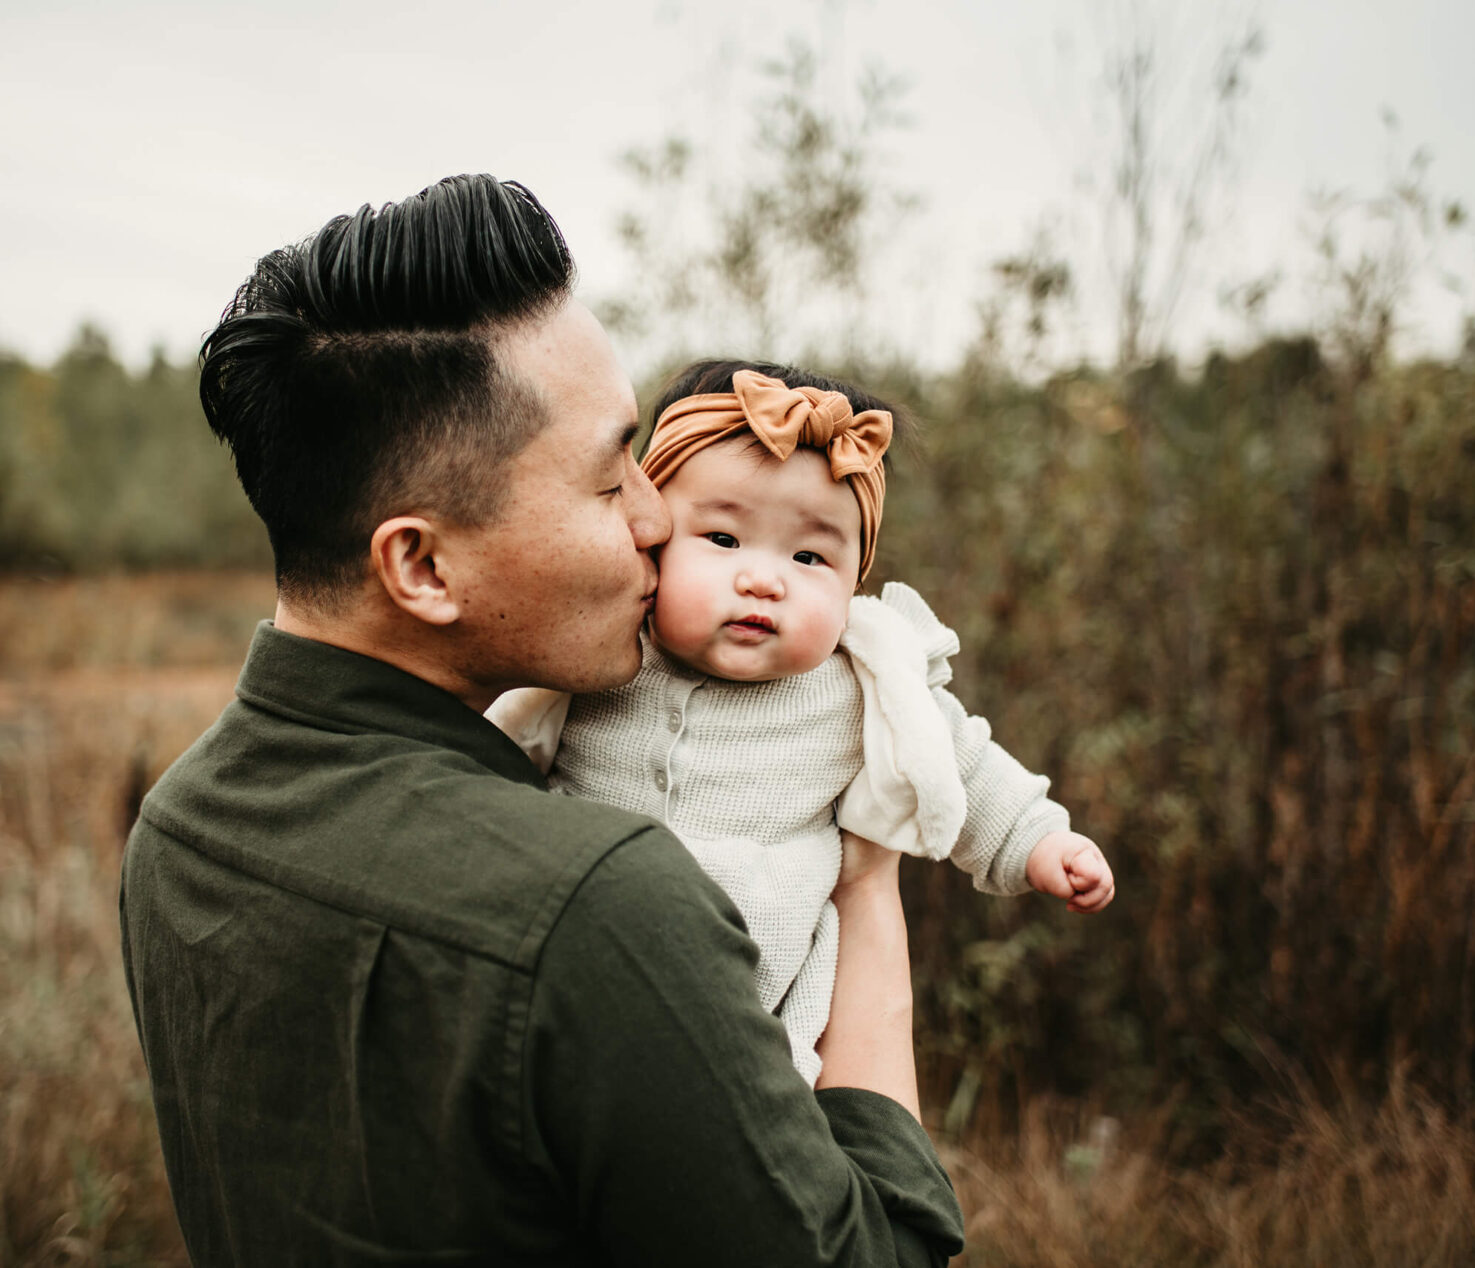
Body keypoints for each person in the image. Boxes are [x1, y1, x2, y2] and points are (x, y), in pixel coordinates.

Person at [119, 174, 966, 1266]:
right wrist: (869, 883)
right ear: (421, 563)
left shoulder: (177, 827)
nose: (660, 520)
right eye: (612, 480)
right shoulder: (605, 902)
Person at [489, 362, 1115, 1084]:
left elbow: (964, 762)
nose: (765, 578)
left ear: (856, 582)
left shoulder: (859, 682)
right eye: (723, 540)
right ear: (653, 538)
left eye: (810, 555)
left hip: (745, 1010)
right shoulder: (604, 653)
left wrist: (1040, 841)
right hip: (568, 964)